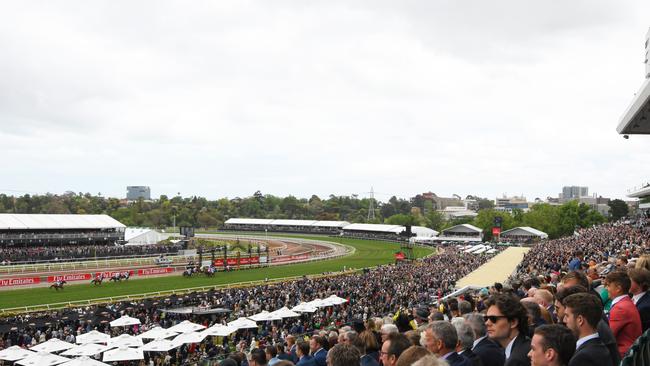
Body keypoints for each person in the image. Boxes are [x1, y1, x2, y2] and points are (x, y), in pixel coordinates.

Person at [562, 293, 613, 366]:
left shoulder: (583, 357)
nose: (564, 320)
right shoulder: (598, 347)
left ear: (580, 320)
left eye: (567, 316)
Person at [484, 293, 531, 366]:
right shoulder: (518, 348)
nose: (487, 323)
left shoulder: (519, 359)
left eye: (493, 319)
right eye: (486, 318)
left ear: (513, 322)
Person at [605, 271, 642, 357]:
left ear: (618, 288)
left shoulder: (620, 309)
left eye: (608, 285)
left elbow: (608, 337)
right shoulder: (625, 302)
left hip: (623, 355)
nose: (606, 288)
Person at [628, 267, 650, 332]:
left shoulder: (645, 307)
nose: (627, 283)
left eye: (630, 281)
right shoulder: (632, 297)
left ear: (640, 284)